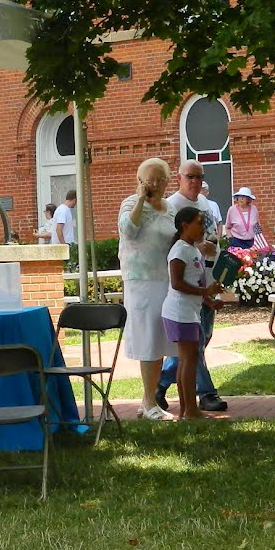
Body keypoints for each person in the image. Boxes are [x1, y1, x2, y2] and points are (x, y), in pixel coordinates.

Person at [156, 160, 229, 413]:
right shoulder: (172, 205)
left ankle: (161, 384)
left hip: (205, 279)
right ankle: (204, 394)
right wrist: (197, 249)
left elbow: (212, 237)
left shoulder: (206, 204)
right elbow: (170, 248)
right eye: (191, 177)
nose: (196, 181)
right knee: (193, 346)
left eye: (200, 177)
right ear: (179, 178)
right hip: (187, 294)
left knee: (198, 342)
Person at [118, 158, 178, 421]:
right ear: (139, 181)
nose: (153, 184)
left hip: (164, 279)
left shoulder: (170, 208)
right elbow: (128, 231)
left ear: (167, 181)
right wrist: (142, 200)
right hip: (140, 280)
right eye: (147, 180)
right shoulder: (131, 203)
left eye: (158, 179)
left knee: (161, 339)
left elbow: (176, 239)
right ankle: (148, 399)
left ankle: (149, 399)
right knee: (148, 338)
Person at [164, 206, 226, 420]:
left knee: (186, 361)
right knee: (189, 360)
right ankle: (190, 410)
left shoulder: (191, 249)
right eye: (198, 223)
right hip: (180, 312)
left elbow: (194, 281)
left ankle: (186, 410)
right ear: (184, 225)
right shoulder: (180, 250)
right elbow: (177, 283)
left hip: (189, 311)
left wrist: (209, 301)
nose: (203, 228)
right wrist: (205, 292)